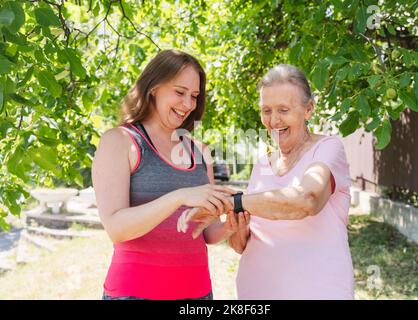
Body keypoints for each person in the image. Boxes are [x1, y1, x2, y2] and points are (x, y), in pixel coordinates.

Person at [181, 64, 354, 299]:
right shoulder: (262, 165)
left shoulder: (327, 149)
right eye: (266, 110)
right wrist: (235, 226)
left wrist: (234, 202)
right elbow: (241, 245)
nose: (273, 120)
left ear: (308, 109)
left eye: (283, 109)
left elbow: (307, 200)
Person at [92, 49, 236, 300]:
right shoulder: (120, 141)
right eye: (180, 93)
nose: (188, 105)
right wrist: (179, 196)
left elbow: (206, 231)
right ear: (154, 88)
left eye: (194, 96)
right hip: (135, 294)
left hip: (197, 294)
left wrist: (229, 225)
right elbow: (116, 228)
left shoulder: (199, 151)